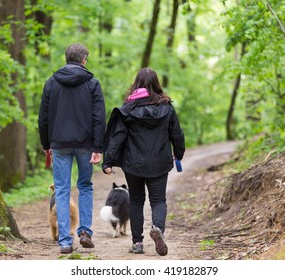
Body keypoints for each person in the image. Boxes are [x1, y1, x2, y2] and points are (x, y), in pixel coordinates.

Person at [102, 67, 185, 256]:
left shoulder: (127, 109)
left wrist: (108, 161)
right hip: (159, 162)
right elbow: (177, 134)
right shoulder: (167, 107)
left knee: (137, 201)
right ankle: (158, 230)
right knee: (158, 200)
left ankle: (138, 243)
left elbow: (117, 137)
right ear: (157, 84)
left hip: (133, 164)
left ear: (137, 84)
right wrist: (179, 153)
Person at [38, 42, 106, 254]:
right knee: (85, 185)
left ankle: (65, 241)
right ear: (84, 59)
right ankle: (85, 232)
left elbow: (43, 118)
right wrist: (98, 146)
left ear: (66, 58)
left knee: (62, 188)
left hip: (59, 144)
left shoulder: (51, 83)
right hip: (86, 144)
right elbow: (99, 118)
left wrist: (46, 144)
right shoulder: (92, 83)